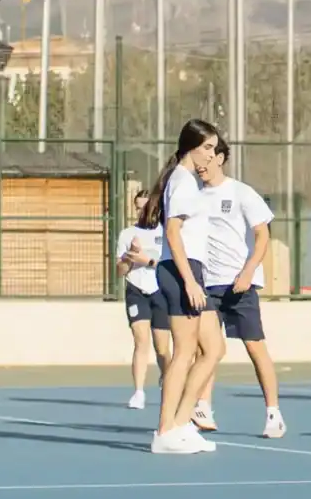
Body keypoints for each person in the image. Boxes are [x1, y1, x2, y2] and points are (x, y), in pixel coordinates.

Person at [190, 138, 286, 438]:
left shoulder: (242, 193)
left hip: (239, 285)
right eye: (196, 158)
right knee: (206, 349)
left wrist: (247, 273)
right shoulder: (192, 196)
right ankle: (202, 407)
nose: (200, 164)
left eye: (206, 157)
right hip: (206, 285)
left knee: (255, 347)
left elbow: (262, 236)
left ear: (219, 158)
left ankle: (273, 414)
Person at [145, 119, 225, 455]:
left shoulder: (189, 181)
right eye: (207, 147)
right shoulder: (182, 181)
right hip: (181, 271)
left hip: (191, 270)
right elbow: (174, 234)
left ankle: (181, 423)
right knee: (184, 352)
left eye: (214, 148)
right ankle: (165, 430)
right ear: (190, 146)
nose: (212, 154)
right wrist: (190, 280)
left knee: (213, 349)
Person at [113, 190, 167, 410]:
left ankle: (167, 380)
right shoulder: (127, 234)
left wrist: (149, 260)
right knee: (140, 340)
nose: (141, 211)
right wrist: (129, 256)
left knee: (162, 347)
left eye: (145, 206)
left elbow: (169, 266)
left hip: (161, 290)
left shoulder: (166, 232)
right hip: (137, 290)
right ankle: (138, 391)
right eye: (137, 207)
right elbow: (120, 270)